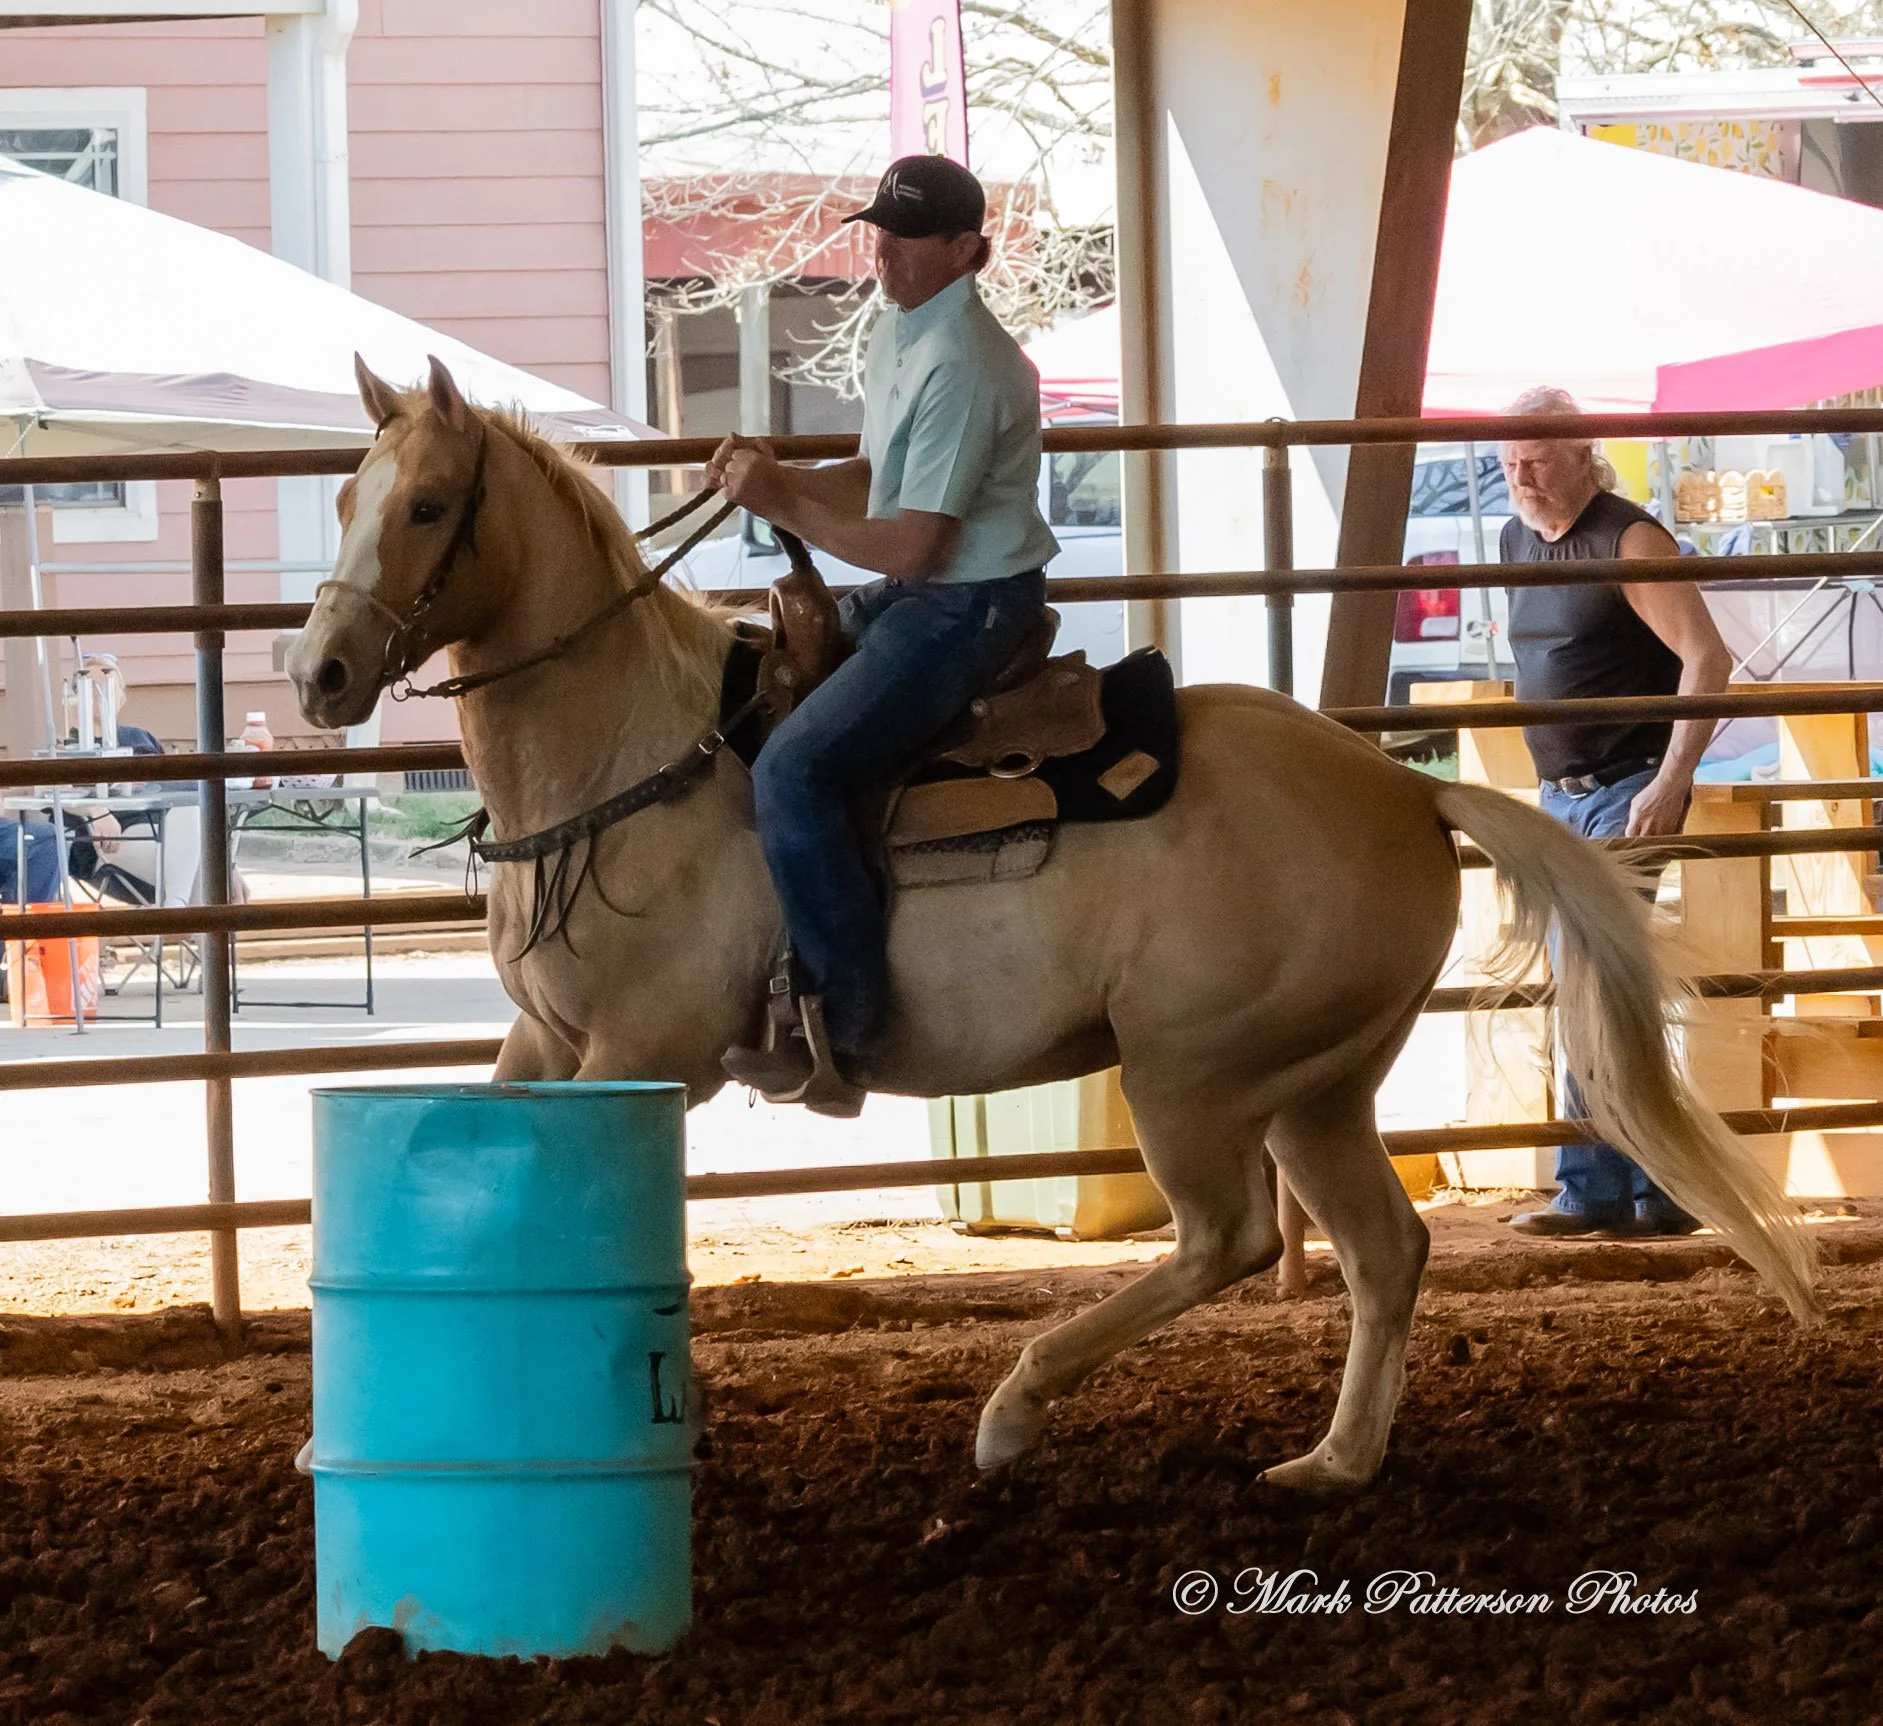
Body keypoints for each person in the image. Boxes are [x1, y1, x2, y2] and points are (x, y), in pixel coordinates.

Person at [708, 155, 1060, 1114]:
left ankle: (848, 1024)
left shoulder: (968, 364)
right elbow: (873, 475)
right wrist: (775, 477)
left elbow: (910, 548)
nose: (883, 253)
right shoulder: (906, 336)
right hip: (935, 593)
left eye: (904, 238)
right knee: (738, 691)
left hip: (966, 604)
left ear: (965, 250)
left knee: (794, 770)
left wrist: (781, 495)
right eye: (879, 232)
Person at [1498, 386, 1735, 1239]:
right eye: (1508, 460)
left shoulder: (1627, 536)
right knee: (1595, 987)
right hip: (1556, 796)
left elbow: (1707, 658)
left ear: (1581, 452)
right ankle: (1639, 1188)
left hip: (1621, 789)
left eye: (1535, 457)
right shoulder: (1514, 536)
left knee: (1594, 983)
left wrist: (1670, 780)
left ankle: (1604, 1186)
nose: (1519, 474)